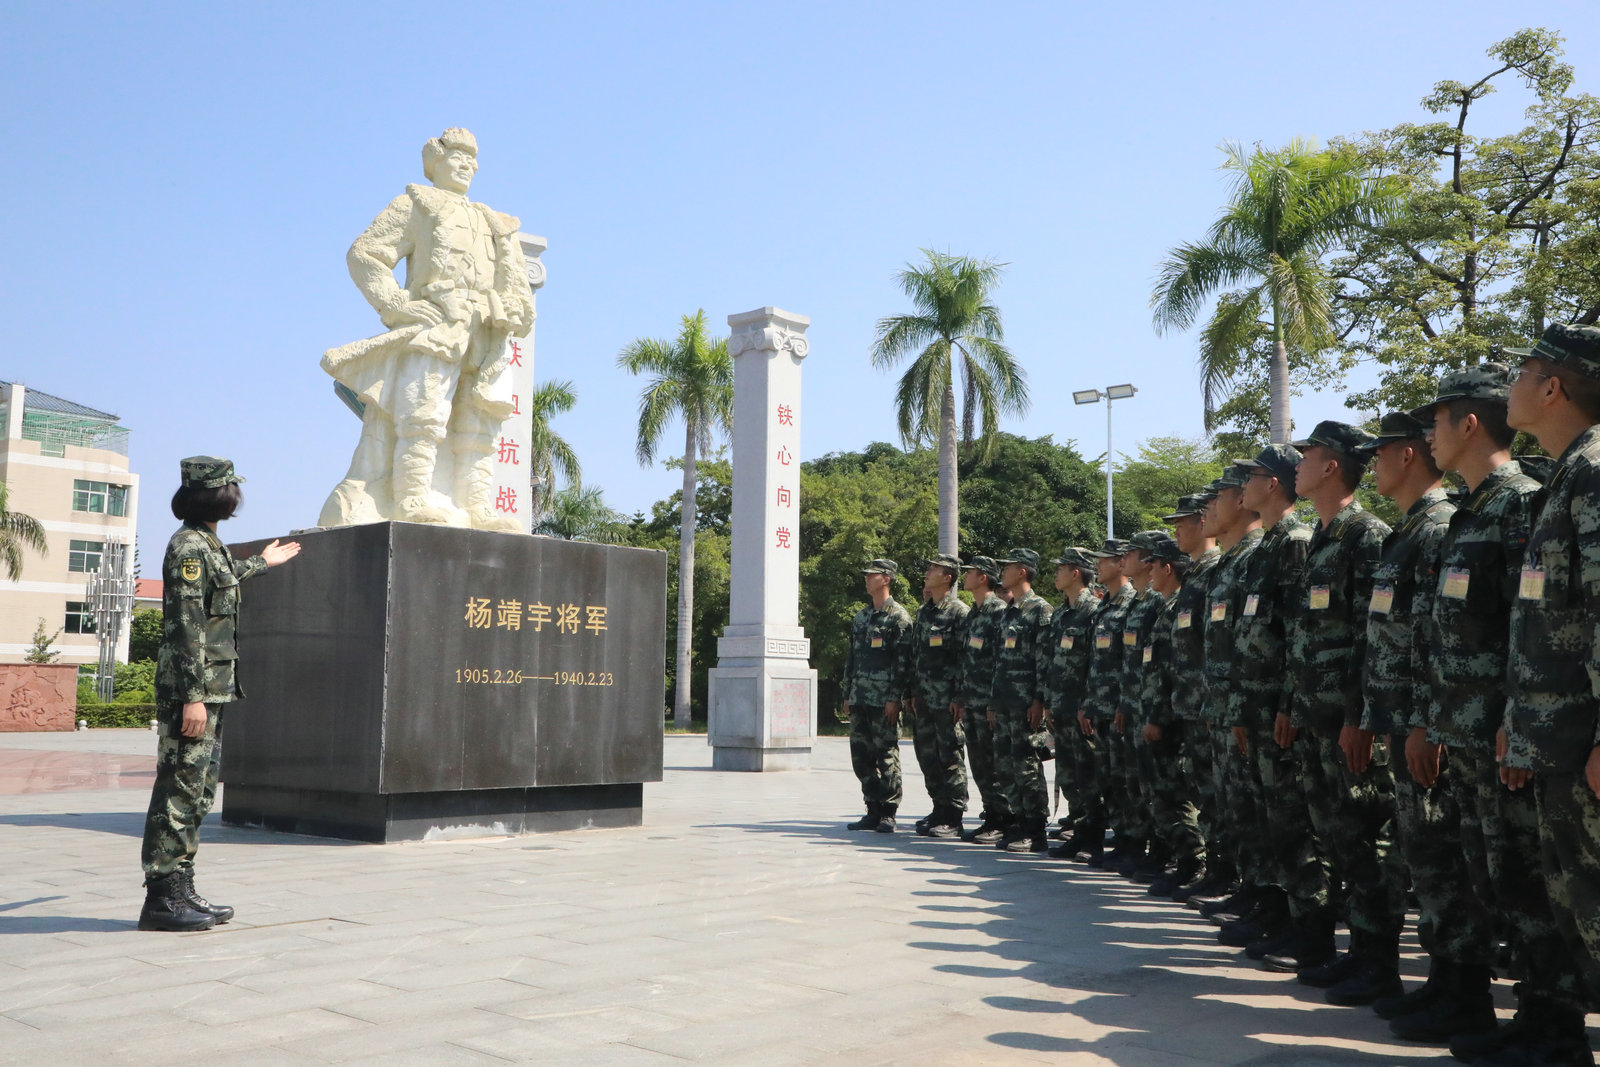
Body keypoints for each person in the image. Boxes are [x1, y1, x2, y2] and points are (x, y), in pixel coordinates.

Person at [139, 457, 301, 932]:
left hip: (213, 691)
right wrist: (191, 696)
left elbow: (223, 582)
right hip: (194, 692)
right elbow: (187, 626)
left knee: (199, 792)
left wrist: (262, 563)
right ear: (213, 495)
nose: (236, 496)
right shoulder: (188, 546)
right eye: (230, 488)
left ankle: (182, 887)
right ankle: (162, 898)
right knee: (178, 791)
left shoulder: (209, 543)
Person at [1499, 323, 1600, 1067]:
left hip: (1584, 744)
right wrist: (1522, 724)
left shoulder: (1594, 472)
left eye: (1521, 370)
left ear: (1554, 386)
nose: (1512, 384)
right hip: (1558, 742)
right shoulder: (1568, 473)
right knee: (1579, 919)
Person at [1347, 411, 1463, 1032]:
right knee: (1421, 856)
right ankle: (1445, 986)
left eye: (1381, 451)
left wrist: (1422, 723)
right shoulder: (1408, 530)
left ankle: (1459, 992)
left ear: (1412, 455)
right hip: (1396, 720)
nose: (1373, 462)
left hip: (1425, 728)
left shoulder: (1437, 527)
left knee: (1439, 861)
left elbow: (1437, 638)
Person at [1284, 421, 1398, 1002]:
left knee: (1364, 838)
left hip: (1349, 723)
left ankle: (1380, 961)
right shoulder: (1322, 539)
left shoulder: (1366, 537)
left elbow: (1370, 637)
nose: (1297, 465)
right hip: (1316, 718)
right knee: (1337, 840)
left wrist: (1360, 717)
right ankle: (1358, 953)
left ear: (1331, 467)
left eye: (1307, 456)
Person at [1193, 471, 1264, 911]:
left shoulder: (1262, 552)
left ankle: (1270, 905)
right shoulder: (1230, 562)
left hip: (1251, 709)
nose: (1209, 512)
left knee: (1260, 812)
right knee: (1235, 806)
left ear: (1241, 501)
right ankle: (1250, 893)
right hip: (1225, 706)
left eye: (1216, 500)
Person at [1136, 534, 1205, 895]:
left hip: (1171, 718)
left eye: (1152, 565)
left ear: (1167, 567)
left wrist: (1159, 717)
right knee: (1161, 792)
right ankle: (1183, 860)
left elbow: (1174, 670)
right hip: (1157, 713)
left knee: (1175, 793)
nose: (1147, 571)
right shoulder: (1164, 606)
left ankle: (1194, 861)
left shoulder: (1180, 606)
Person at [1163, 492, 1223, 899]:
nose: (1176, 530)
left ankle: (1224, 872)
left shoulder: (1216, 570)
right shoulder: (1196, 576)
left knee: (1219, 797)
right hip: (1193, 705)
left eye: (1182, 521)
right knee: (1206, 793)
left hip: (1211, 706)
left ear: (1202, 522)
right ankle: (1218, 871)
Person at [987, 548, 1054, 852]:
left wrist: (1039, 700)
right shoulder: (1007, 611)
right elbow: (998, 661)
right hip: (1004, 702)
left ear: (1023, 571)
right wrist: (992, 701)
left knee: (1027, 765)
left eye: (1008, 566)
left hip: (1026, 703)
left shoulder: (1040, 609)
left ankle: (1035, 828)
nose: (1003, 571)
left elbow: (1044, 659)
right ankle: (1019, 819)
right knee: (1005, 765)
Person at [903, 554, 971, 838]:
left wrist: (959, 696)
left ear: (948, 577)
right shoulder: (924, 612)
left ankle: (954, 815)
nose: (928, 572)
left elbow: (965, 659)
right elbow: (915, 656)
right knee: (927, 755)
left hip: (947, 700)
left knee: (950, 755)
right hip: (924, 700)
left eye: (934, 569)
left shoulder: (958, 612)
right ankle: (939, 808)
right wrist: (910, 692)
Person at [842, 559, 913, 833]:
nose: (866, 579)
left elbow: (902, 662)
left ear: (886, 579)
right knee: (861, 756)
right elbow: (852, 658)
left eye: (871, 575)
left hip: (884, 700)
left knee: (886, 755)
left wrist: (895, 697)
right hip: (860, 697)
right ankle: (872, 808)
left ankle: (889, 811)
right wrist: (847, 693)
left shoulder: (899, 617)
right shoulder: (861, 617)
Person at [1077, 538, 1135, 867]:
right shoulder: (1104, 605)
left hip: (1120, 708)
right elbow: (1095, 661)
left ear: (1122, 562)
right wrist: (1088, 701)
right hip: (1100, 707)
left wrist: (1122, 703)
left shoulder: (1134, 603)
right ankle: (1122, 842)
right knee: (1109, 778)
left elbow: (1131, 660)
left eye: (1106, 560)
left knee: (1126, 780)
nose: (1099, 565)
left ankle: (1132, 842)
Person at [1044, 547, 1102, 858]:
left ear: (1076, 573)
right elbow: (1054, 661)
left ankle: (1093, 836)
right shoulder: (1061, 613)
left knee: (1088, 775)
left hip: (1082, 709)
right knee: (1068, 775)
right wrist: (1051, 702)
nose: (1056, 573)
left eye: (1061, 568)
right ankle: (1079, 831)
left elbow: (1097, 662)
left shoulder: (1093, 611)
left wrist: (1088, 703)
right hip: (1063, 707)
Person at [955, 556, 1011, 844]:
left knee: (994, 762)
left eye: (970, 573)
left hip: (988, 702)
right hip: (972, 701)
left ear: (983, 578)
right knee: (979, 762)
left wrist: (993, 701)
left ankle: (1003, 817)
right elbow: (967, 660)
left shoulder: (998, 611)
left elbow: (1001, 660)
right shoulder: (973, 613)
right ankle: (991, 814)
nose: (964, 577)